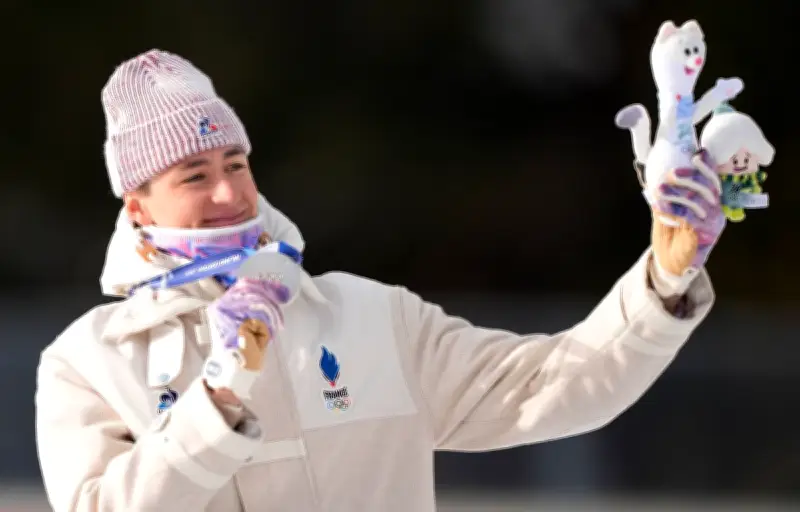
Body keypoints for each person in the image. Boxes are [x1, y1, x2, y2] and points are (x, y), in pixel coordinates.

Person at [35, 49, 722, 512]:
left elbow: (558, 385)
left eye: (236, 164)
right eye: (194, 175)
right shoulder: (89, 361)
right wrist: (215, 396)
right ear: (137, 206)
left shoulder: (371, 317)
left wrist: (666, 277)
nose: (228, 193)